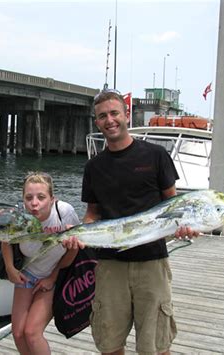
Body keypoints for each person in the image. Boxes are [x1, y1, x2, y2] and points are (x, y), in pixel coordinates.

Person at [79, 89, 199, 355]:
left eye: (114, 113)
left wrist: (185, 227)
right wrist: (79, 231)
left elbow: (173, 205)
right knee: (109, 343)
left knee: (155, 345)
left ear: (126, 115)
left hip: (152, 262)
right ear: (96, 122)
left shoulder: (156, 156)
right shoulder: (93, 167)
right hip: (110, 265)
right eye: (102, 116)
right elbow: (92, 213)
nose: (109, 120)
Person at [2, 172, 80, 354]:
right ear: (23, 200)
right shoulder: (18, 216)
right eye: (29, 198)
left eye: (41, 197)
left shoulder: (64, 213)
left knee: (32, 333)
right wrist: (10, 268)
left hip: (56, 274)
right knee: (18, 332)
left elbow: (74, 249)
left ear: (52, 199)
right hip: (28, 274)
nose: (34, 203)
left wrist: (52, 278)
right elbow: (6, 240)